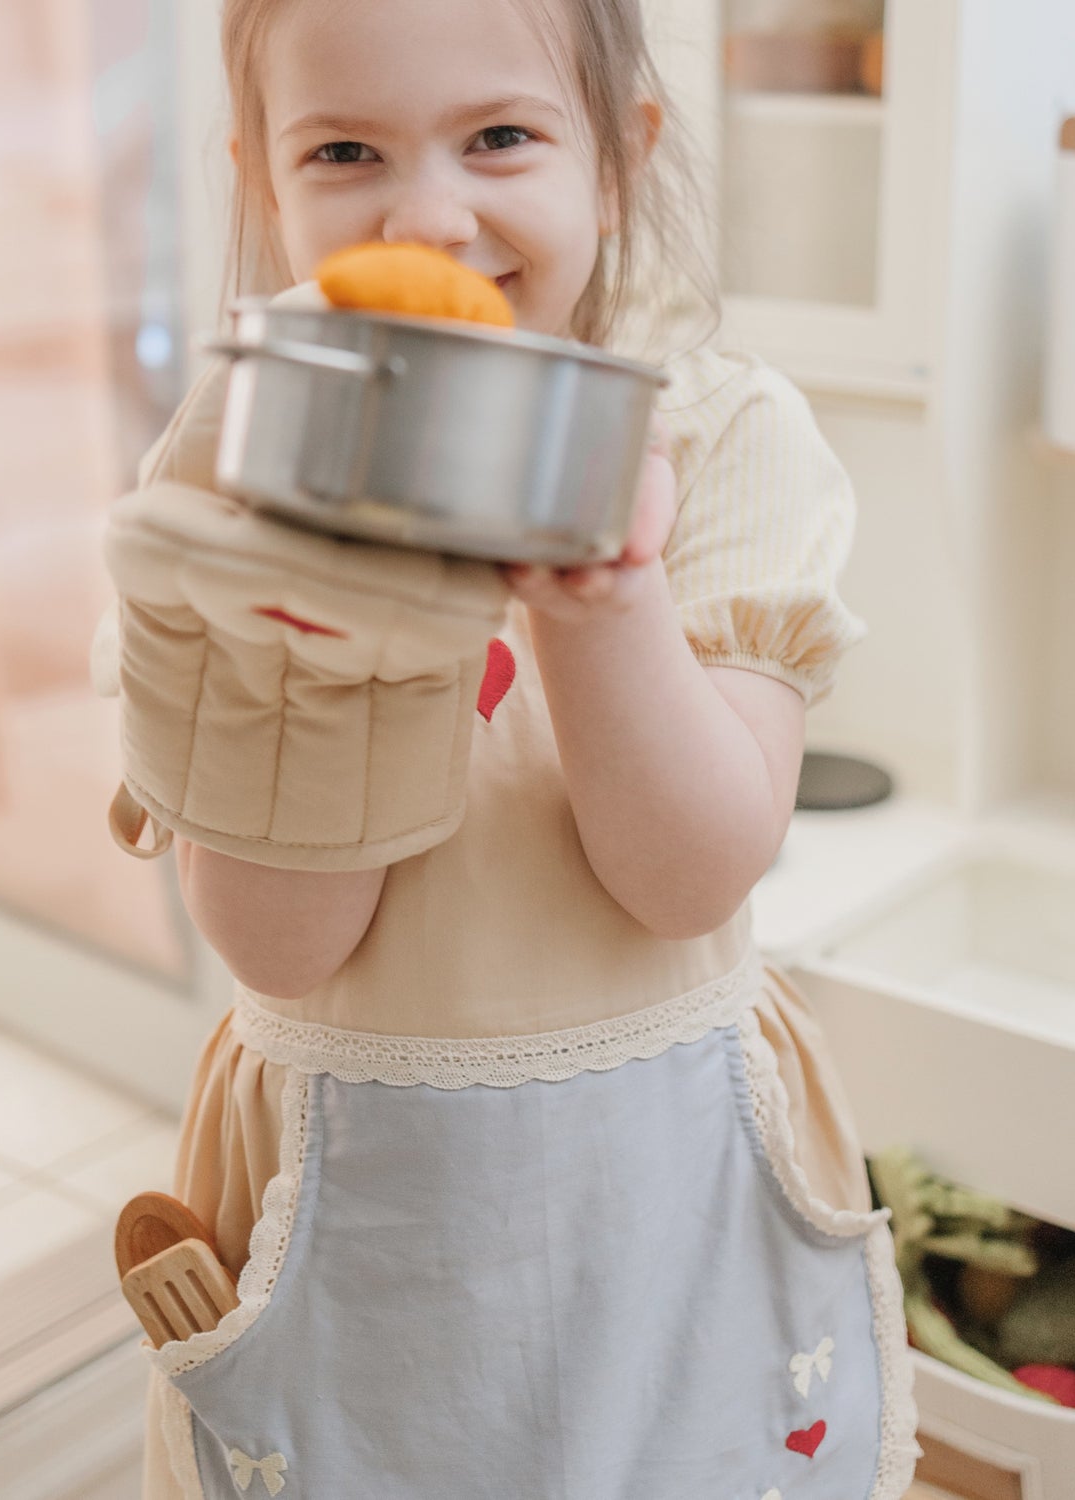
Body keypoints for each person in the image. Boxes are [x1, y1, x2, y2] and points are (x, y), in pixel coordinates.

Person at [107, 0, 920, 1495]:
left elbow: (687, 877)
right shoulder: (239, 461)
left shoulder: (721, 443)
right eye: (347, 150)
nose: (431, 216)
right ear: (264, 184)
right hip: (356, 1200)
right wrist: (326, 624)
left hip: (659, 1188)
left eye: (501, 138)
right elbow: (280, 941)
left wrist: (603, 602)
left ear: (616, 160)